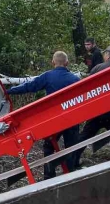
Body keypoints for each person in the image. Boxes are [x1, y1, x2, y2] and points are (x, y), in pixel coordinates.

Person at [7, 51, 80, 179]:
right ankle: (71, 174)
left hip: (54, 118)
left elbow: (30, 86)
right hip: (71, 117)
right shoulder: (75, 79)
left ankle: (49, 175)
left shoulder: (48, 76)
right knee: (71, 146)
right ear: (67, 63)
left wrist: (9, 91)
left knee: (49, 146)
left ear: (53, 62)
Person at [75, 45, 110, 162]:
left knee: (85, 136)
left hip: (99, 110)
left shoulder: (97, 68)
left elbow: (88, 90)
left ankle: (72, 161)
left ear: (108, 56)